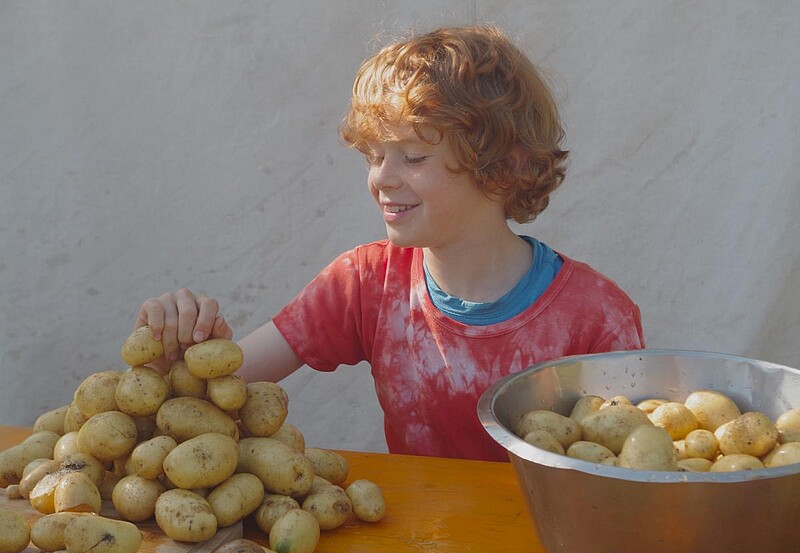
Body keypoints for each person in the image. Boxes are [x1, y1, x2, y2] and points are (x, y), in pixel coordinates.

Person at [136, 25, 644, 462]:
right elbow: (209, 393)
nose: (382, 178)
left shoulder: (596, 317)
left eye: (413, 157)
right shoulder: (365, 282)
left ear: (503, 166)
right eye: (373, 155)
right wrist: (180, 353)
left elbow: (628, 479)